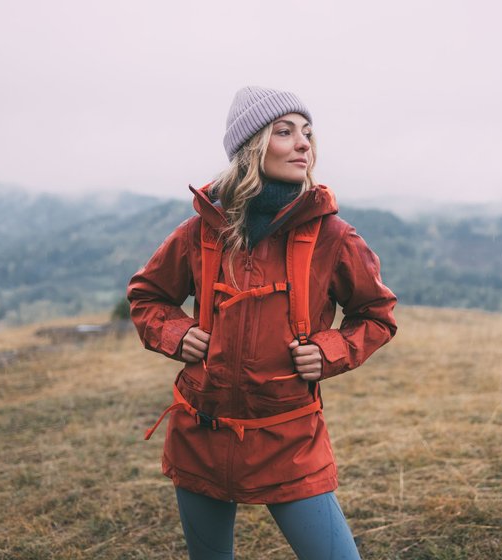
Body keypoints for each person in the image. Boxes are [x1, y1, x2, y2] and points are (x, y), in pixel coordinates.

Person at [128, 85, 397, 560]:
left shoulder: (333, 235)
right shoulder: (200, 230)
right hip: (201, 433)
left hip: (289, 439)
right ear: (252, 146)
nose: (303, 144)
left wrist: (331, 350)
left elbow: (376, 314)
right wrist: (176, 333)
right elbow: (147, 296)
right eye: (286, 131)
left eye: (308, 133)